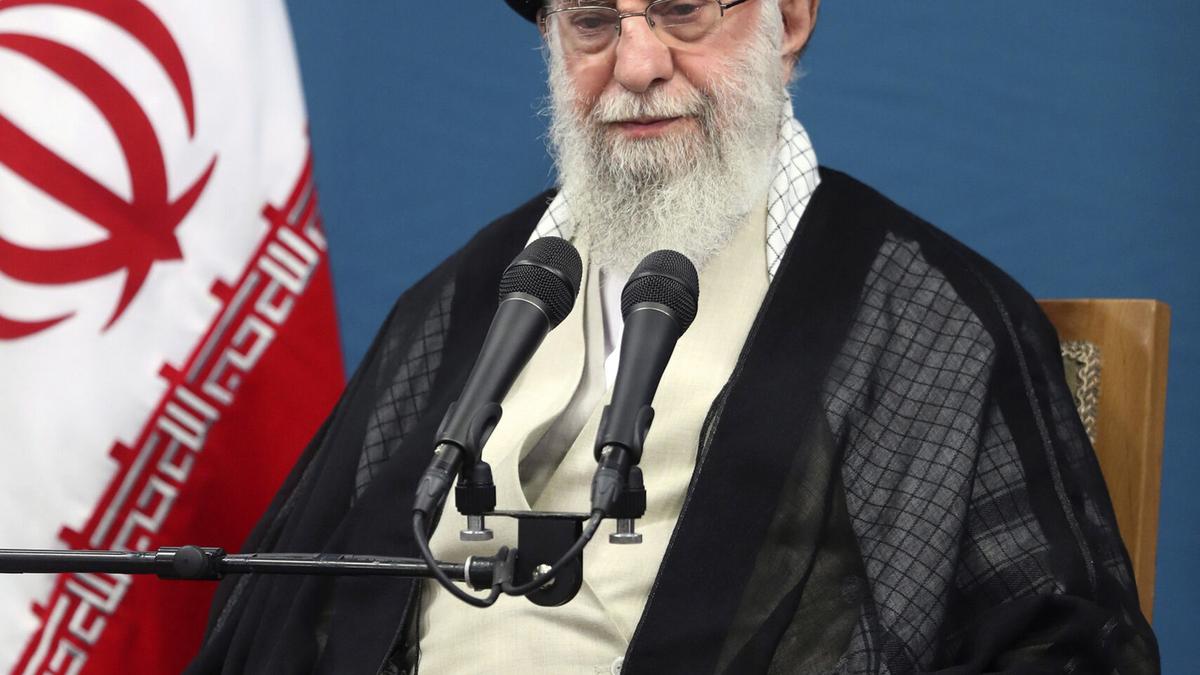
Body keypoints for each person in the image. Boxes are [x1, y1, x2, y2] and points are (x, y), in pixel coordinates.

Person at [188, 1, 1159, 672]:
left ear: (790, 20)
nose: (638, 64)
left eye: (684, 12)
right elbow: (278, 617)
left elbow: (1058, 646)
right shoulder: (463, 300)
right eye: (593, 22)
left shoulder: (925, 320)